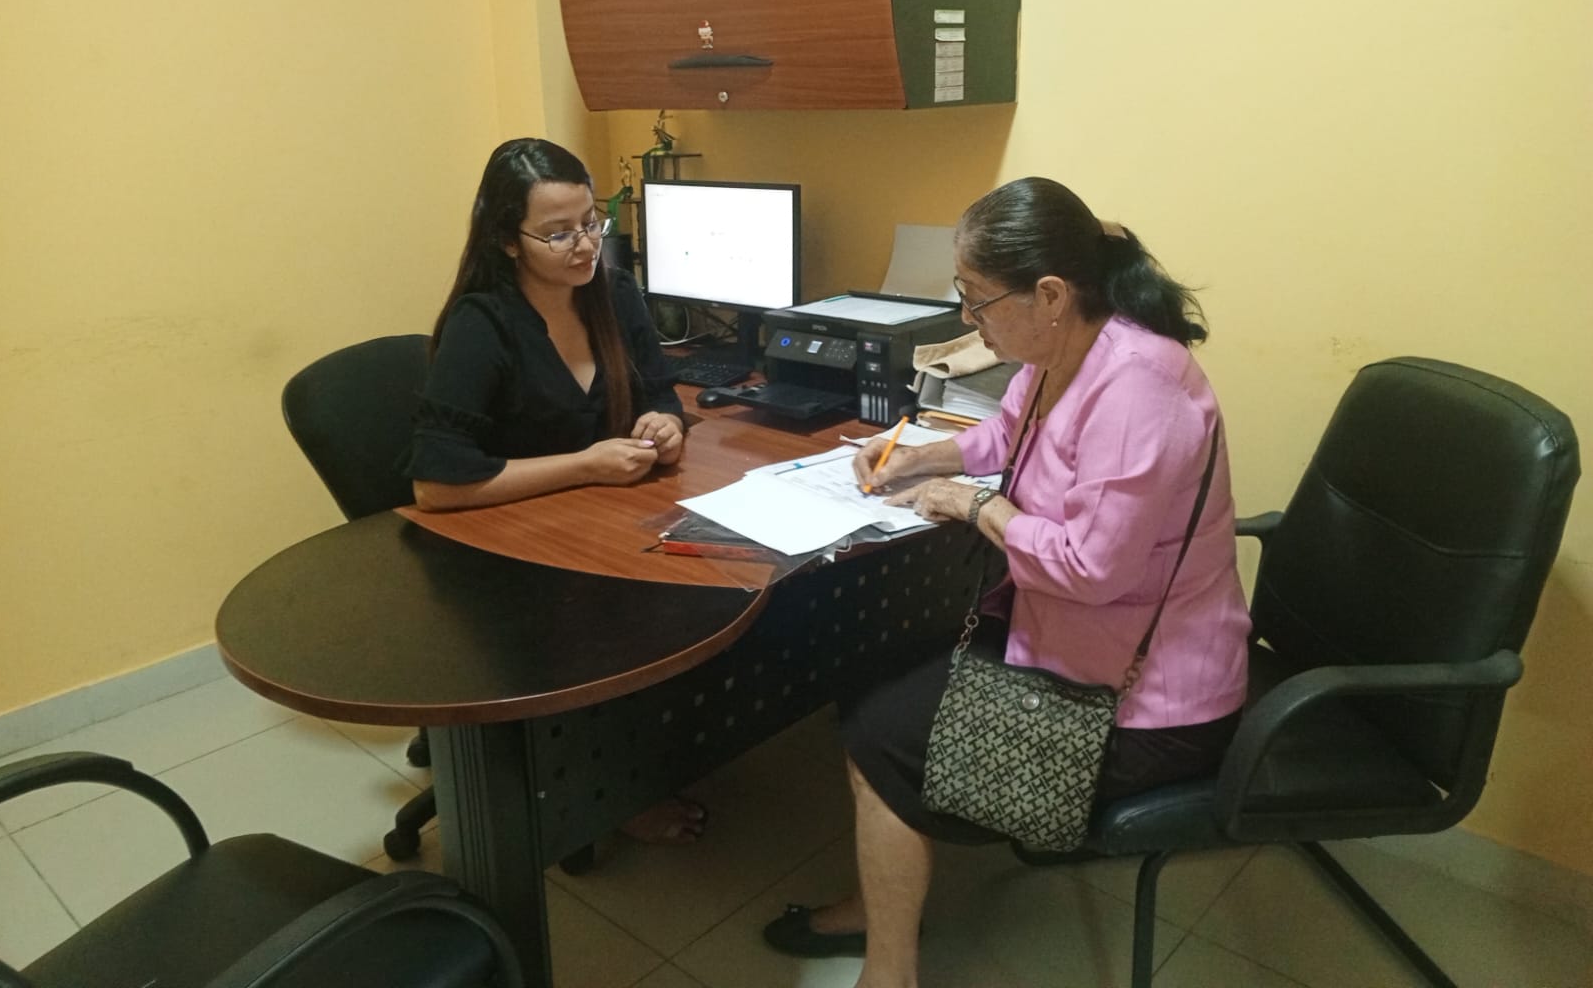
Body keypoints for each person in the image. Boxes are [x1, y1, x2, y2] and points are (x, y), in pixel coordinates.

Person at [762, 177, 1251, 985]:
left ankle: (889, 967)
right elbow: (1010, 431)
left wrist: (975, 505)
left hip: (1145, 704)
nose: (968, 319)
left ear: (1050, 294)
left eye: (977, 299)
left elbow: (1090, 569)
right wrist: (919, 457)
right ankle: (884, 903)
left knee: (878, 732)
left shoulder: (1139, 388)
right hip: (1068, 640)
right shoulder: (1066, 349)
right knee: (876, 679)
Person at [401, 137, 700, 843]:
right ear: (509, 240)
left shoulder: (614, 295)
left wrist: (666, 425)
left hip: (595, 525)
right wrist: (583, 465)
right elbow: (436, 485)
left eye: (591, 222)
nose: (585, 245)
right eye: (558, 233)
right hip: (503, 550)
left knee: (697, 593)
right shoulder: (484, 325)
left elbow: (661, 393)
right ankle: (606, 793)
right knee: (618, 626)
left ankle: (661, 752)